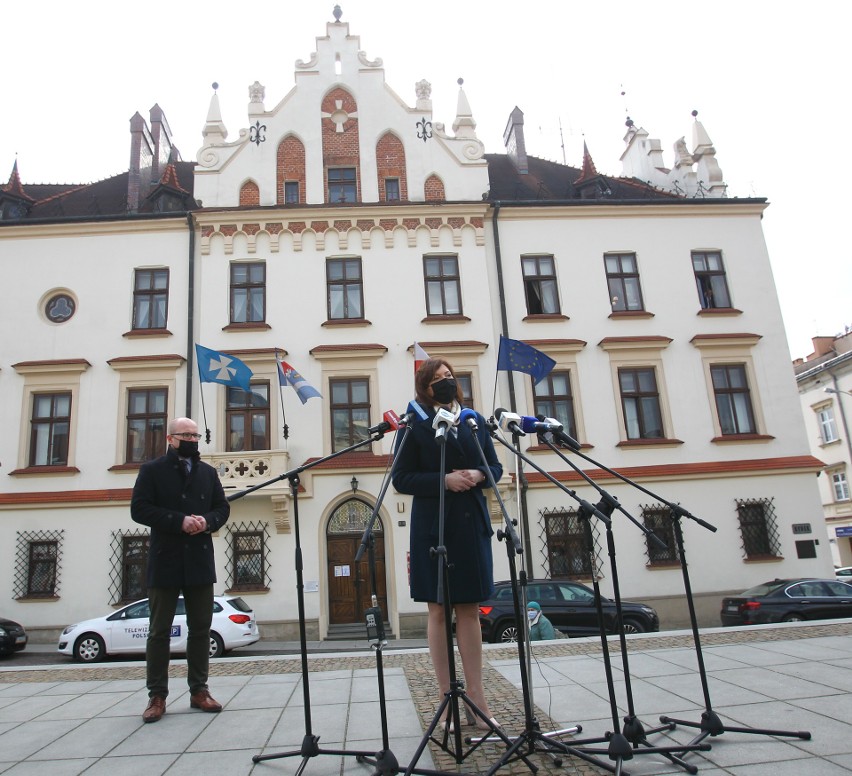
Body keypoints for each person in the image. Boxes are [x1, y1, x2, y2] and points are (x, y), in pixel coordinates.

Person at [392, 358, 503, 730]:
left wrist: (478, 474)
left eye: (449, 377)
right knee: (438, 611)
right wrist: (443, 480)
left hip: (471, 527)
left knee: (469, 609)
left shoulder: (472, 420)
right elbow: (402, 478)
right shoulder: (413, 424)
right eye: (437, 378)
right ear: (424, 387)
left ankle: (476, 696)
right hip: (433, 529)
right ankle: (446, 700)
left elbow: (496, 468)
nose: (446, 382)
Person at [131, 417, 230, 723]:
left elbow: (221, 508)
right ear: (170, 439)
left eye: (195, 434)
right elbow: (140, 509)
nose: (191, 438)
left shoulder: (207, 472)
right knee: (159, 631)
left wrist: (207, 522)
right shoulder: (152, 470)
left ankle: (199, 690)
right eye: (185, 434)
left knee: (200, 630)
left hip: (199, 559)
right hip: (166, 558)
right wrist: (179, 521)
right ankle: (157, 695)